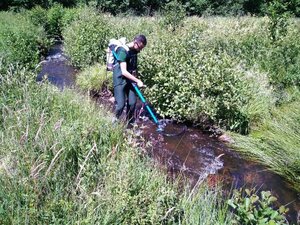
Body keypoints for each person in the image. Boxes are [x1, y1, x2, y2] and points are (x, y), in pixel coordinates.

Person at [112, 34, 147, 124]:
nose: (140, 50)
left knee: (132, 103)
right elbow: (123, 71)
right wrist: (138, 81)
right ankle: (114, 122)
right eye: (140, 47)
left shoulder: (135, 51)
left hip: (130, 80)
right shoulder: (123, 51)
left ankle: (129, 123)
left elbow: (133, 67)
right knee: (120, 105)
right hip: (120, 79)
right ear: (136, 43)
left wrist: (136, 78)